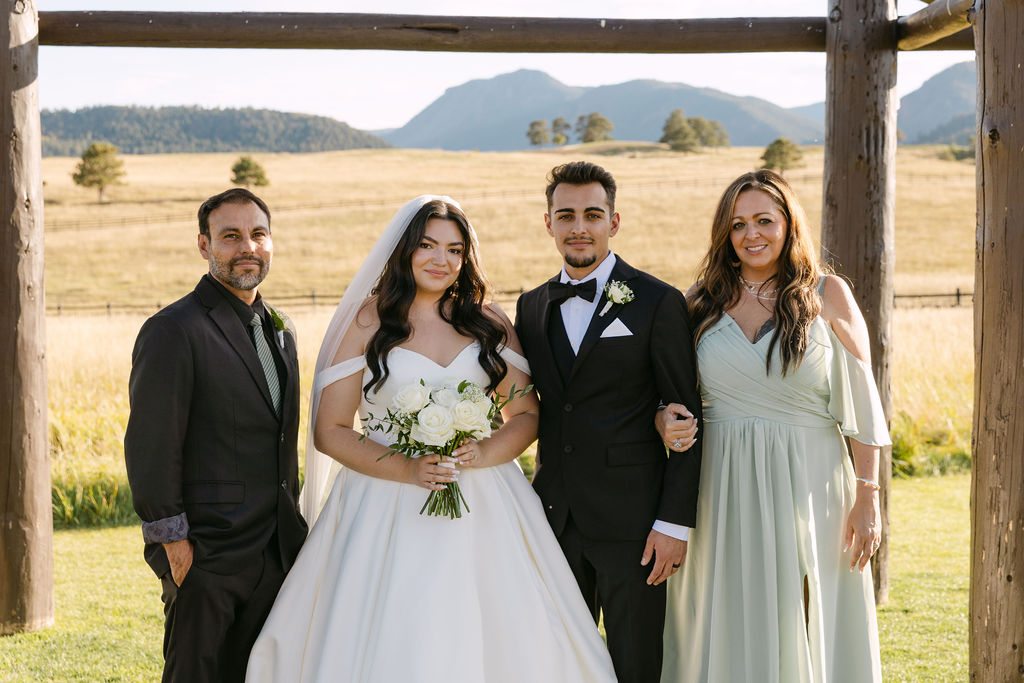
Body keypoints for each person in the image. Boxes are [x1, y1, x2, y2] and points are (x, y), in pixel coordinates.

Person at [245, 196, 616, 682]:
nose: (442, 260)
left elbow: (526, 414)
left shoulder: (489, 321)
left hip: (484, 499)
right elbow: (329, 431)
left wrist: (484, 451)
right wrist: (406, 467)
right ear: (404, 250)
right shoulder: (366, 320)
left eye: (455, 249)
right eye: (428, 245)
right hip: (383, 501)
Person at [656, 169, 888, 682]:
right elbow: (668, 395)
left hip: (812, 479)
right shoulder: (699, 301)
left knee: (804, 610)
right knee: (727, 609)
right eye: (738, 225)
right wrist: (662, 420)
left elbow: (863, 406)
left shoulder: (829, 294)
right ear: (725, 233)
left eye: (764, 220)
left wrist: (868, 495)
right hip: (721, 483)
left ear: (789, 224)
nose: (751, 235)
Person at [514, 161, 703, 683]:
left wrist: (672, 523)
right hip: (553, 520)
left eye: (593, 214)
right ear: (547, 222)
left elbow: (688, 417)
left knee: (636, 663)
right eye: (566, 214)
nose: (579, 226)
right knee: (558, 662)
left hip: (636, 526)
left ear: (613, 223)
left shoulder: (657, 301)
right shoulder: (530, 307)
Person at [124, 188, 307, 683]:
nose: (247, 246)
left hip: (276, 550)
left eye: (258, 234)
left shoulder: (281, 329)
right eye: (230, 236)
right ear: (204, 246)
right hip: (206, 553)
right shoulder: (173, 330)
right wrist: (173, 544)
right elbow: (151, 445)